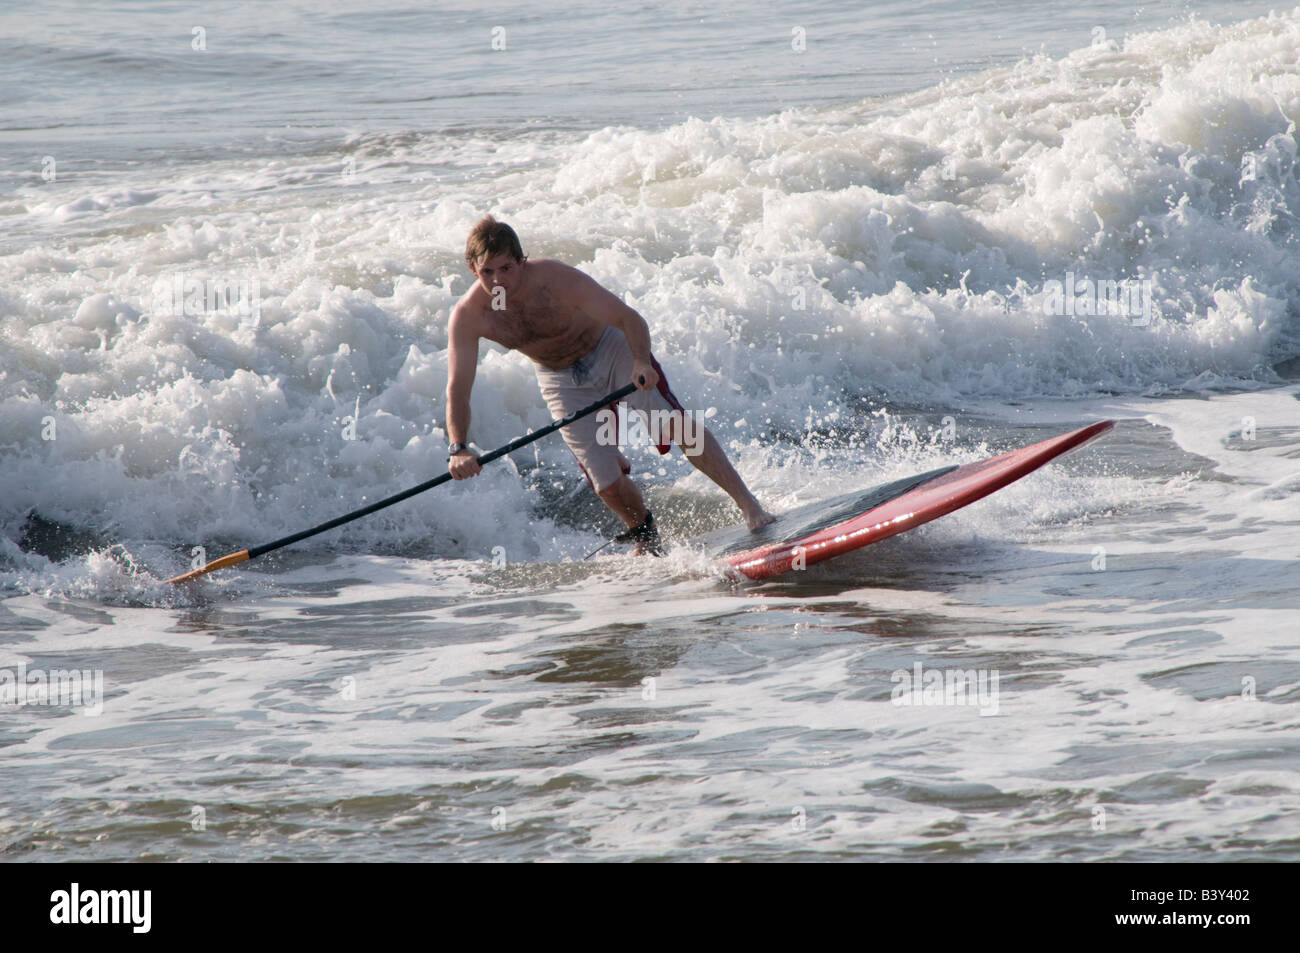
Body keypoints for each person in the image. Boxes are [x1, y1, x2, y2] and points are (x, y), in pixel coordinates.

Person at [445, 216, 774, 554]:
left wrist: (642, 361)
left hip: (608, 348)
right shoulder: (470, 315)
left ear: (521, 261)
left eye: (506, 268)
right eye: (488, 272)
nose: (498, 280)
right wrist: (458, 448)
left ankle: (749, 505)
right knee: (605, 483)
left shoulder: (555, 279)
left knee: (673, 425)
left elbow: (628, 318)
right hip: (558, 377)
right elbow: (458, 386)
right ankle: (645, 534)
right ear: (473, 270)